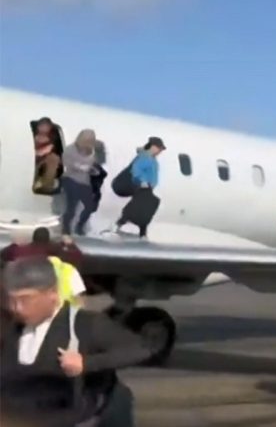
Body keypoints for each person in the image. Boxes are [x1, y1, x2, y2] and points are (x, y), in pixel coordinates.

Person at [0, 257, 151, 426]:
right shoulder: (11, 328)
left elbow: (140, 348)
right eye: (12, 300)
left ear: (53, 294)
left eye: (26, 299)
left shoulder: (86, 325)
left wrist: (86, 363)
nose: (17, 308)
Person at [112, 137, 166, 239]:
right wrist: (142, 181)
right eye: (159, 148)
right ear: (153, 147)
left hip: (148, 187)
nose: (160, 151)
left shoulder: (151, 159)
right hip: (143, 187)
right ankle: (120, 225)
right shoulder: (145, 158)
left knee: (146, 209)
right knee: (138, 208)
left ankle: (142, 232)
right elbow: (136, 170)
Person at [61, 129, 99, 236]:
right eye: (86, 139)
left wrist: (92, 170)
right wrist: (80, 167)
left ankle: (80, 226)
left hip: (84, 182)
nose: (88, 142)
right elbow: (66, 162)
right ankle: (66, 229)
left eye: (90, 140)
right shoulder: (70, 149)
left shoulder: (92, 152)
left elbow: (91, 165)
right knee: (71, 206)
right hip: (71, 179)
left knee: (89, 206)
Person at [33, 117, 61, 194]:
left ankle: (46, 185)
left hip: (41, 160)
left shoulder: (51, 139)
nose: (43, 128)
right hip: (31, 158)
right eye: (42, 125)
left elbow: (44, 152)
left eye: (46, 126)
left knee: (54, 158)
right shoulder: (33, 136)